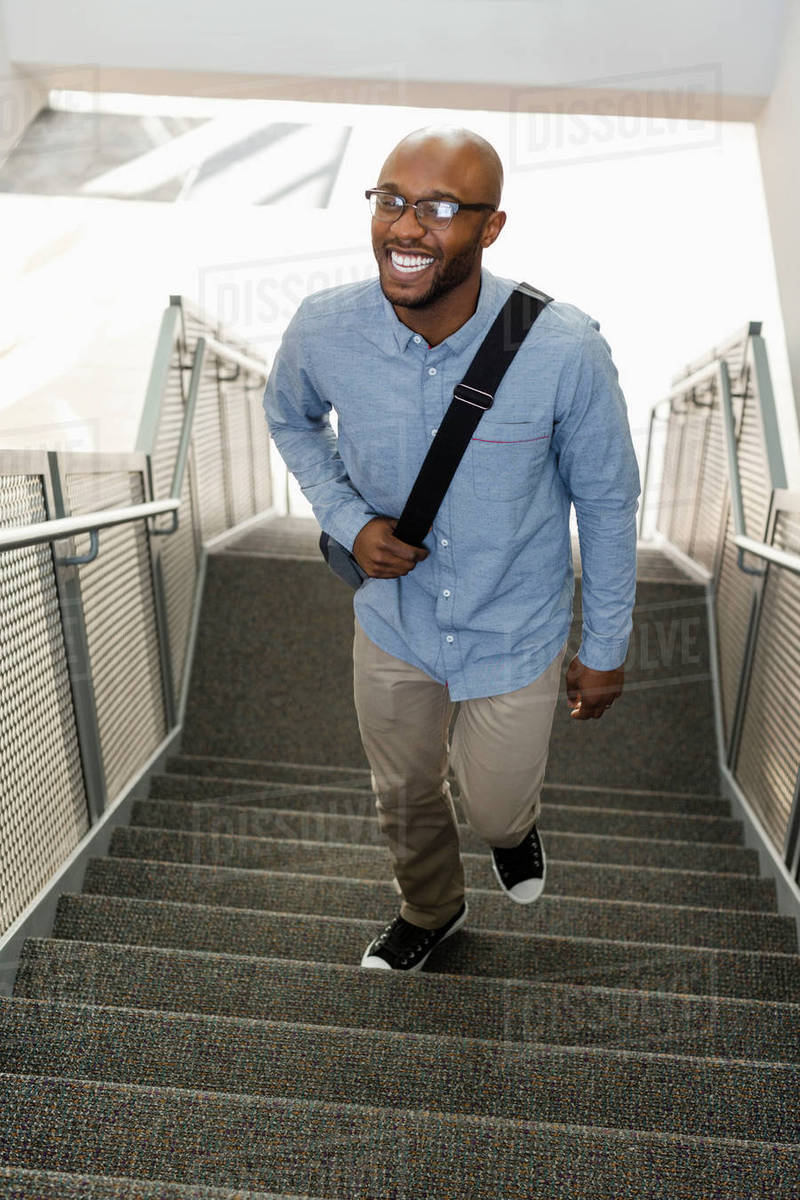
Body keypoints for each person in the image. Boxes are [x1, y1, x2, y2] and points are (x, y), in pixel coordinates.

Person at [263, 125, 640, 973]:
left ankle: (513, 837)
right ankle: (430, 907)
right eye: (390, 200)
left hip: (515, 628)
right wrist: (346, 518)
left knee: (499, 806)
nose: (405, 226)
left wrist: (606, 648)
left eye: (437, 207)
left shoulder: (566, 350)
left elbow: (609, 502)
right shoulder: (325, 329)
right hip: (393, 621)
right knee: (403, 795)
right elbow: (288, 415)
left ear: (491, 227)